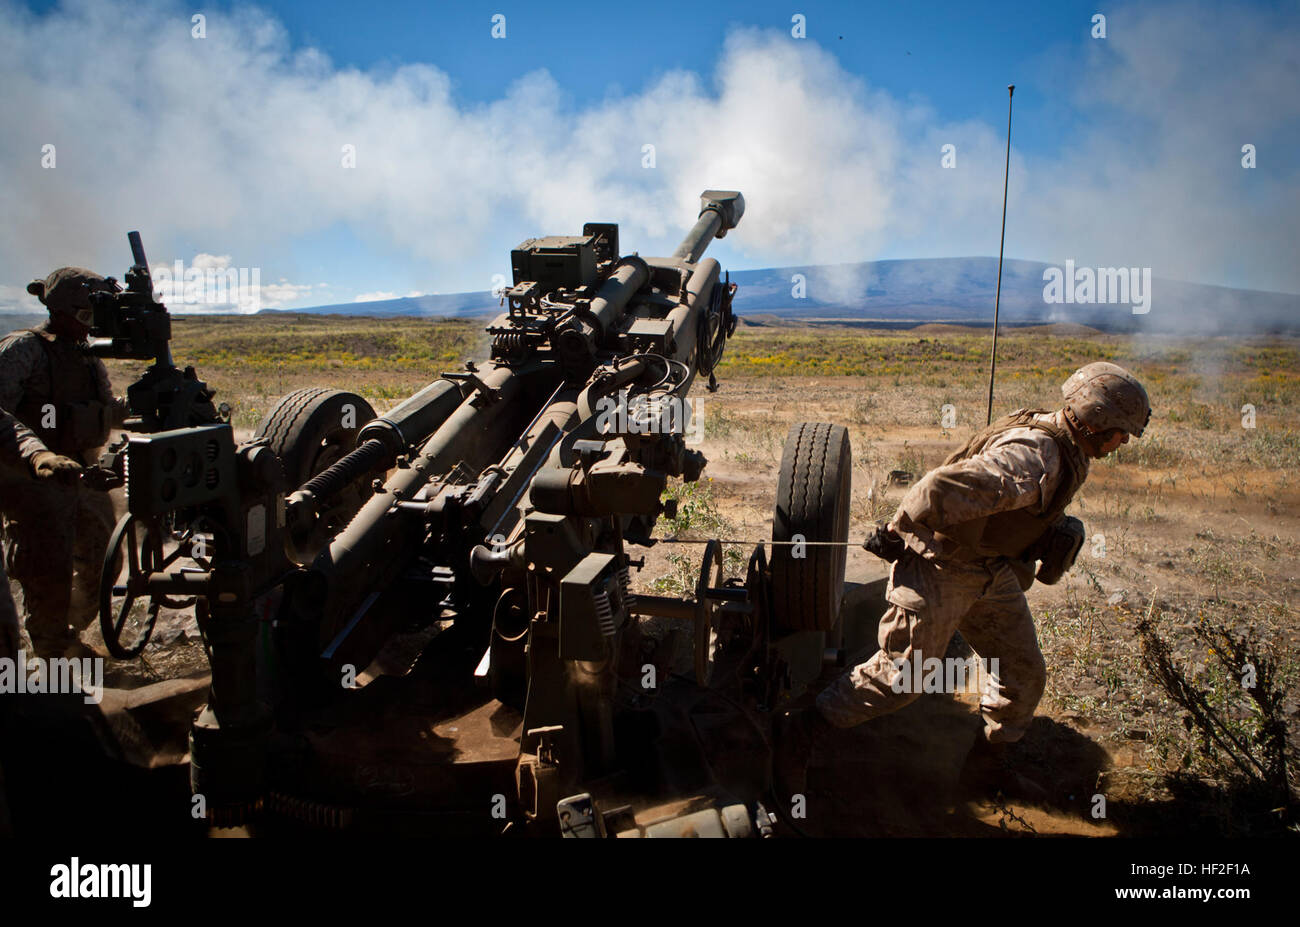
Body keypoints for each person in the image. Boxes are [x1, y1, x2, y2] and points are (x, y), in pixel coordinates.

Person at [774, 361, 1151, 801]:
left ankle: (983, 773)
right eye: (1121, 431)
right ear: (1096, 419)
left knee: (1022, 672)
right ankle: (796, 735)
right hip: (942, 569)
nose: (1123, 441)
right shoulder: (1035, 456)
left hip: (989, 571)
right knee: (903, 678)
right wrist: (899, 531)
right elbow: (942, 486)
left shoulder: (1067, 446)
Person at [0, 267, 128, 659]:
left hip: (81, 470)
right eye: (85, 317)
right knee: (47, 562)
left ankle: (67, 629)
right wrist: (37, 454)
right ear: (60, 311)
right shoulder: (24, 349)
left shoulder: (87, 357)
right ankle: (51, 646)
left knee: (104, 558)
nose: (89, 328)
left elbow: (104, 409)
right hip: (30, 478)